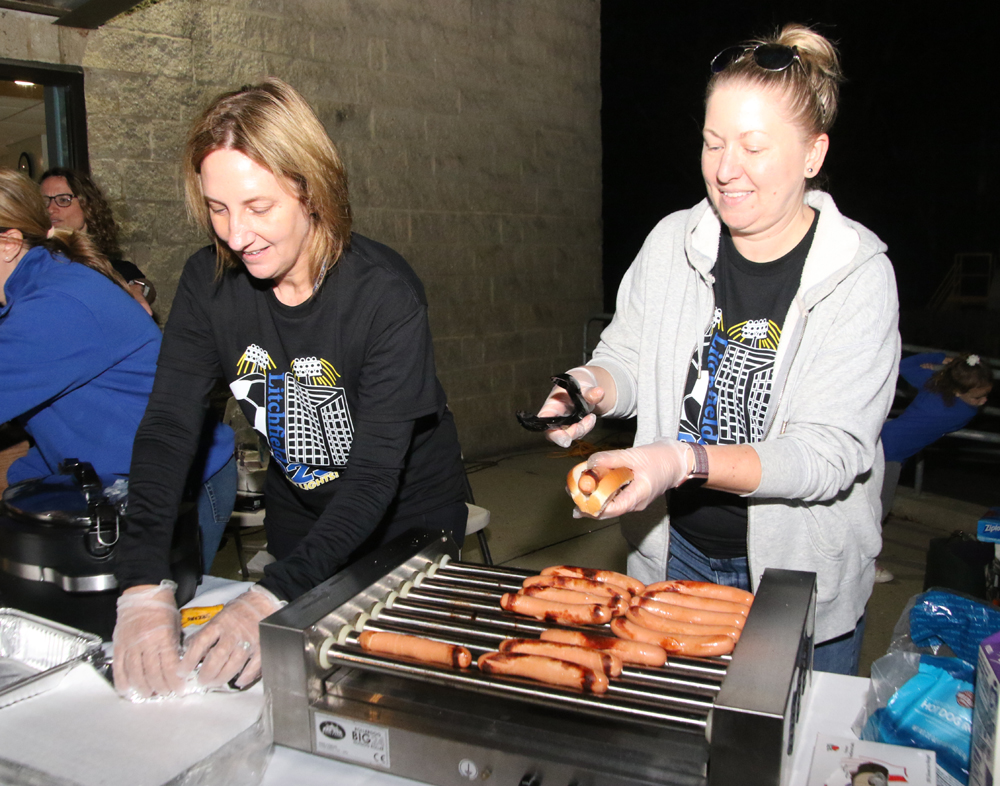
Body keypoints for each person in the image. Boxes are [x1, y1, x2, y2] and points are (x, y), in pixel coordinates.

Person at [531, 24, 899, 675]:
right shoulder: (675, 240)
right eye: (713, 142)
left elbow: (826, 456)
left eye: (754, 148)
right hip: (674, 553)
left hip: (797, 576)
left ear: (814, 154)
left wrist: (677, 460)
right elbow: (627, 356)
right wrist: (587, 387)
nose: (726, 169)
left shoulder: (858, 273)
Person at [112, 78, 468, 699]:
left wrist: (274, 594)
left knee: (399, 696)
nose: (236, 235)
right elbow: (171, 425)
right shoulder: (208, 284)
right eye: (217, 209)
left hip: (403, 526)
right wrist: (143, 580)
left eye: (258, 207)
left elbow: (375, 475)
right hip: (303, 511)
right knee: (303, 692)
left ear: (310, 190)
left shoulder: (384, 295)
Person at [0, 168, 236, 574]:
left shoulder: (54, 304)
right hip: (115, 479)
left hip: (178, 482)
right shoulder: (37, 288)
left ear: (8, 243)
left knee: (146, 626)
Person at [880, 352, 993, 522]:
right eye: (978, 397)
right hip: (891, 455)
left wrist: (937, 360)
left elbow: (904, 366)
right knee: (880, 506)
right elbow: (969, 410)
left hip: (880, 436)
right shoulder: (961, 413)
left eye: (986, 396)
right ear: (956, 390)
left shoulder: (932, 384)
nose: (983, 401)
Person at [40, 168, 156, 315]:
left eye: (63, 200)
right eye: (44, 201)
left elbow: (140, 284)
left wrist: (137, 288)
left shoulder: (113, 268)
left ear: (87, 205)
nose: (50, 209)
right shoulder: (37, 261)